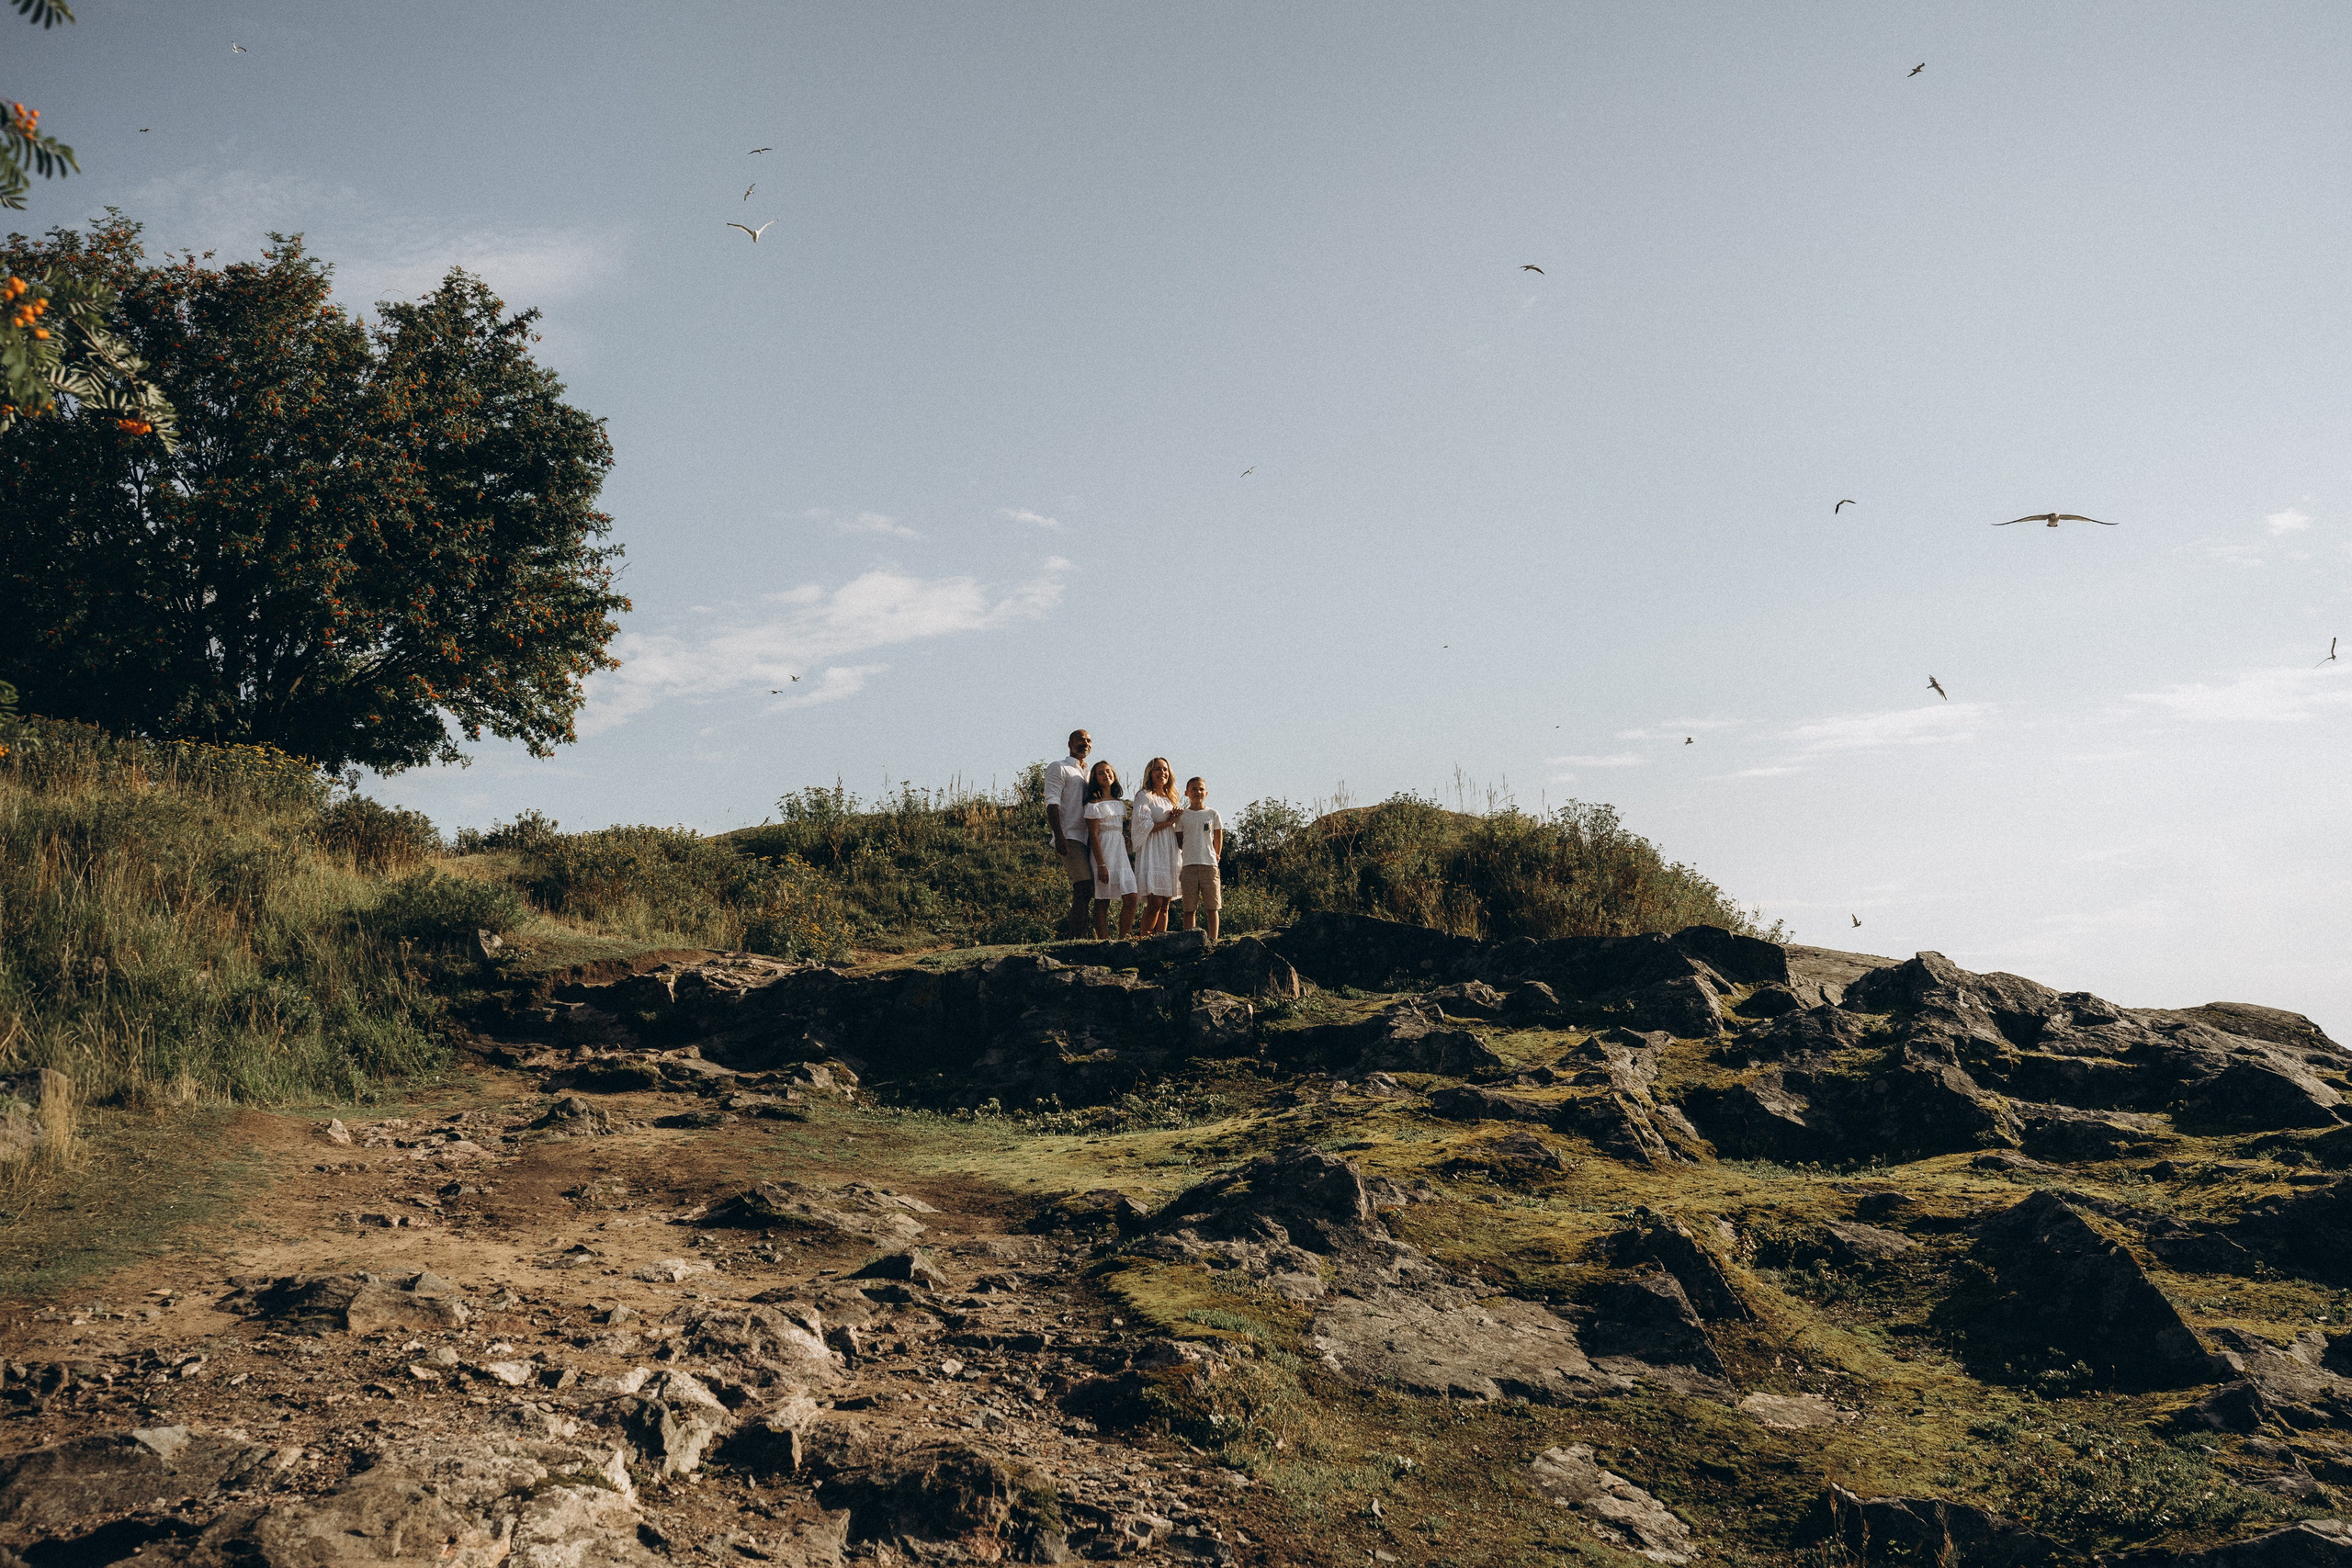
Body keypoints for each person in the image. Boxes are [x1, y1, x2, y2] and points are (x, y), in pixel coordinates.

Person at [1042, 729, 1093, 940]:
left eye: (1089, 740)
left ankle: (1084, 937)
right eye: (1080, 739)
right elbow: (1052, 803)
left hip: (1090, 838)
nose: (1085, 743)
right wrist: (1059, 835)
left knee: (1091, 889)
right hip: (1070, 835)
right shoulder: (1059, 767)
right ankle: (1075, 938)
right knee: (1083, 886)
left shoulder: (1090, 773)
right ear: (1070, 743)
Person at [1083, 760, 1138, 939]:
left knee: (1131, 896)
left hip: (1119, 852)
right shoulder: (1094, 804)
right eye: (1101, 773)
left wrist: (1124, 838)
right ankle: (1103, 941)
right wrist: (1101, 865)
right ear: (1095, 778)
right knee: (1102, 899)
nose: (1106, 775)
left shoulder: (1119, 803)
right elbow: (1094, 835)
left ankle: (1124, 938)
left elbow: (1116, 828)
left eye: (1108, 772)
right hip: (1103, 850)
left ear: (1113, 775)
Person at [1130, 757, 1183, 935]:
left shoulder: (1170, 798)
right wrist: (1169, 822)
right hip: (1153, 850)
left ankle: (1161, 942)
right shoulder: (1144, 796)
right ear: (1150, 774)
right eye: (1158, 769)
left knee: (1166, 905)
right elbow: (1142, 825)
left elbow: (1177, 825)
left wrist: (1176, 821)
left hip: (1169, 848)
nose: (1162, 773)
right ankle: (1144, 940)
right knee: (1155, 903)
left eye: (1165, 770)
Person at [1176, 775, 1225, 944]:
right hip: (1188, 865)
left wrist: (1216, 854)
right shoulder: (1182, 816)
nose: (1198, 792)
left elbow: (1218, 836)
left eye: (1201, 789)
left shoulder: (1212, 814)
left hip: (1209, 865)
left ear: (1207, 793)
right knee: (1189, 908)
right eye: (1194, 789)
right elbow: (1179, 840)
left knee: (1212, 907)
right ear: (1187, 793)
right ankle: (1190, 941)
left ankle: (1214, 940)